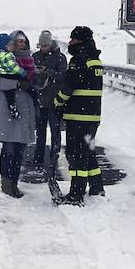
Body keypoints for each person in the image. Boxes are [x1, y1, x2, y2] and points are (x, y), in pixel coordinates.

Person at [53, 26, 104, 205]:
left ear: (80, 41)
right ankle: (97, 187)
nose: (70, 43)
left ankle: (76, 194)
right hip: (92, 117)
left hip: (78, 116)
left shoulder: (78, 61)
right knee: (88, 152)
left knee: (76, 156)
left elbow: (68, 87)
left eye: (73, 40)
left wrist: (57, 102)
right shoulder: (95, 60)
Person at [0, 31, 37, 198]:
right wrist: (17, 84)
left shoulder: (29, 61)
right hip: (8, 111)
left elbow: (32, 80)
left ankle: (14, 183)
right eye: (18, 41)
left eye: (24, 42)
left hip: (25, 111)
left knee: (20, 151)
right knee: (9, 149)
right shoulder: (2, 58)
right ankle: (7, 184)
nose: (21, 45)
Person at [32, 30, 68, 165]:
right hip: (40, 99)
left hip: (55, 101)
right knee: (40, 133)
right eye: (41, 46)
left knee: (55, 131)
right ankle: (38, 157)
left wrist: (47, 72)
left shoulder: (60, 58)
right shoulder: (35, 56)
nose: (43, 49)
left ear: (50, 44)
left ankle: (55, 157)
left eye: (45, 46)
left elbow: (63, 77)